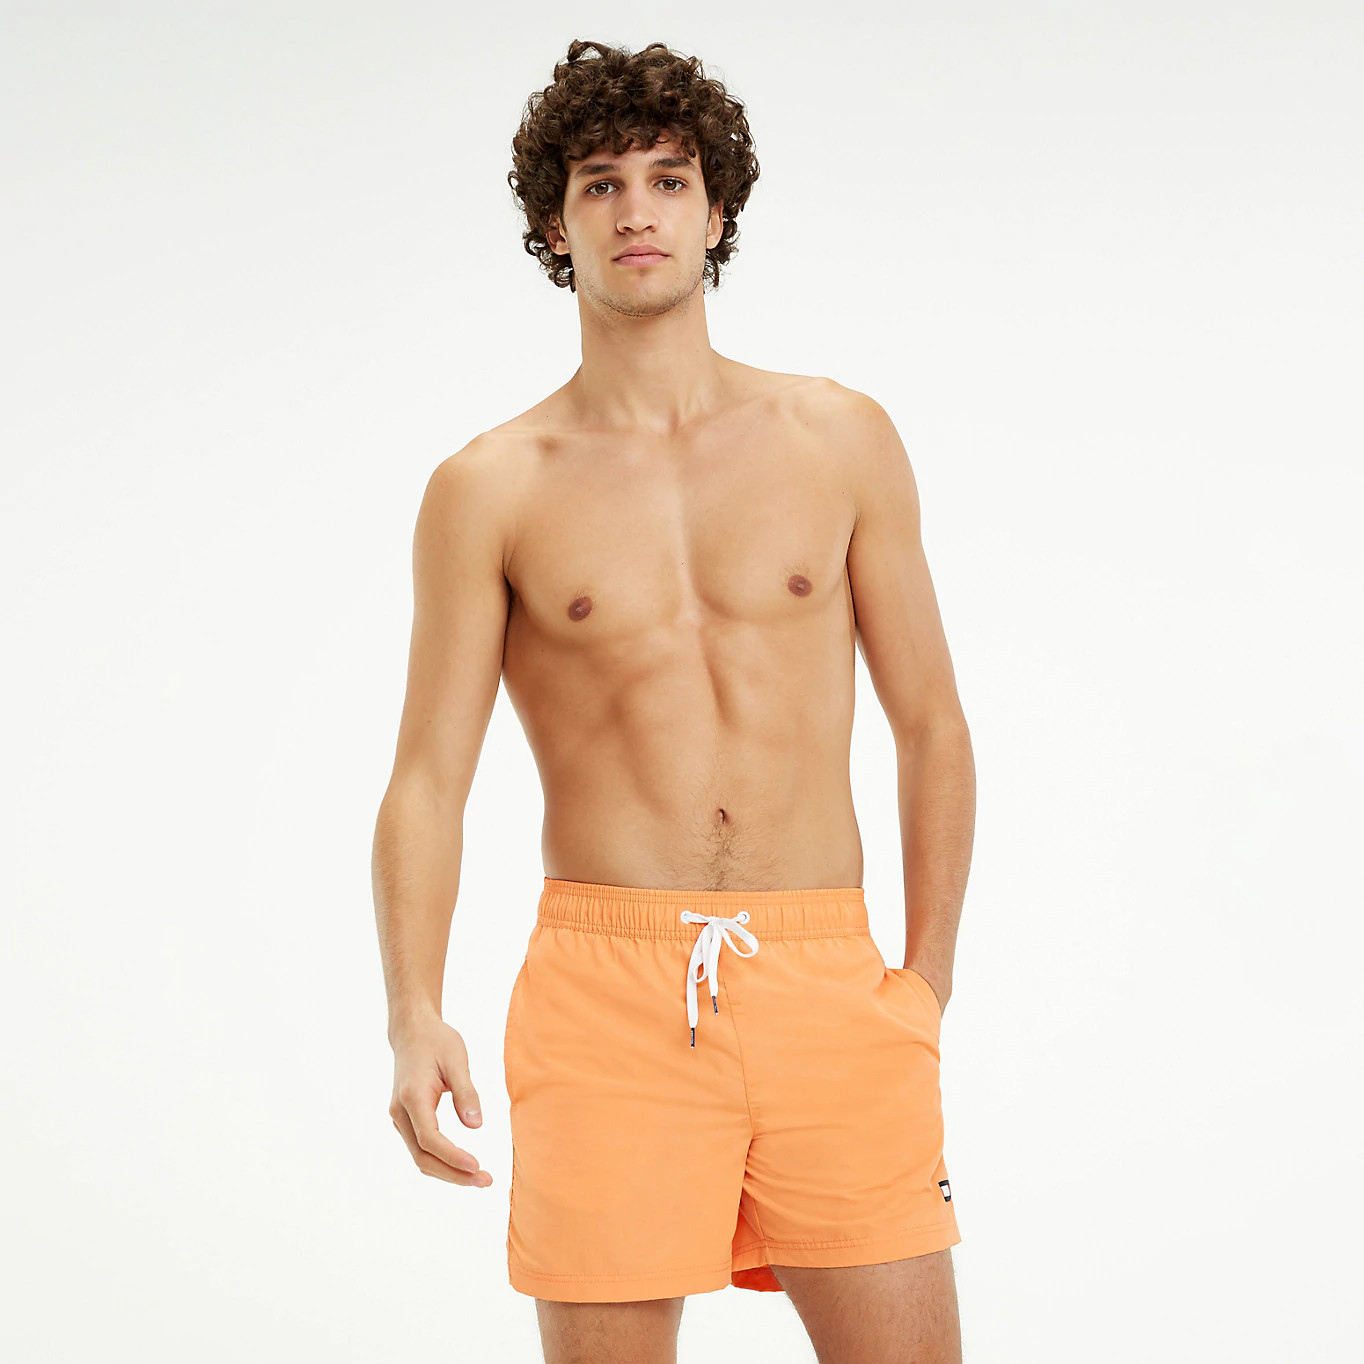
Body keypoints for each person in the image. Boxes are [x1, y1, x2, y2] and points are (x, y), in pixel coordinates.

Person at [372, 36, 975, 1364]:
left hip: (829, 982)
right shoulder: (490, 488)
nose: (635, 210)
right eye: (599, 183)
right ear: (555, 224)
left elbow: (932, 723)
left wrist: (924, 985)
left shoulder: (840, 438)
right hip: (605, 996)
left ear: (717, 211)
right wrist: (414, 1011)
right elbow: (428, 777)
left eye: (668, 178)